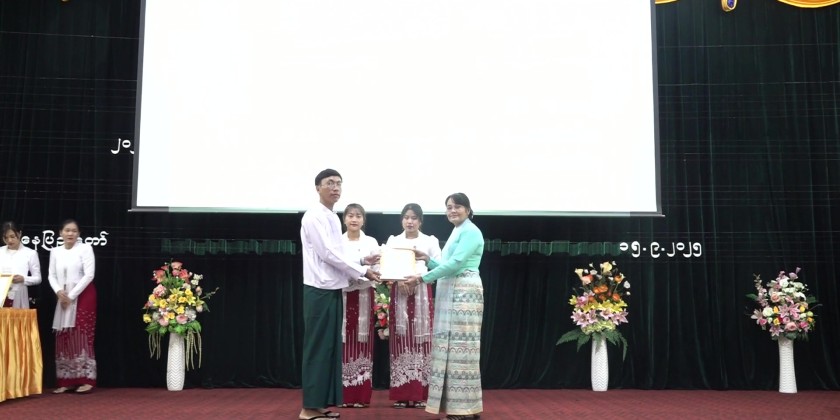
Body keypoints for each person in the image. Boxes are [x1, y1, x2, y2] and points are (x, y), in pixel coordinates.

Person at [299, 169, 380, 420]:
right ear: (317, 188)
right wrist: (362, 270)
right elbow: (327, 254)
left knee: (329, 349)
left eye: (339, 184)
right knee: (317, 348)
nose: (335, 188)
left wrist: (361, 260)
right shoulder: (313, 216)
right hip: (319, 289)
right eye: (330, 183)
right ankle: (308, 408)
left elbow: (339, 253)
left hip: (333, 288)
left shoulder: (333, 217)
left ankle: (319, 404)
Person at [404, 193, 484, 420]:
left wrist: (422, 278)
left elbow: (457, 264)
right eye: (449, 207)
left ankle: (462, 409)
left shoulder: (470, 231)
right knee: (450, 348)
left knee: (462, 349)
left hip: (464, 293)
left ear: (468, 209)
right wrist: (427, 260)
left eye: (457, 206)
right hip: (452, 292)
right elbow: (448, 264)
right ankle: (465, 408)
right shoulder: (458, 230)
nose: (452, 211)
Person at [384, 203, 441, 409]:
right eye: (406, 217)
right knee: (400, 340)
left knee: (422, 340)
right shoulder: (393, 241)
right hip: (399, 293)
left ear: (420, 221)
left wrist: (419, 279)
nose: (410, 221)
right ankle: (402, 393)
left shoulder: (430, 241)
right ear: (401, 220)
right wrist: (398, 280)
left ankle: (421, 394)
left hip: (422, 293)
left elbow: (440, 267)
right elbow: (386, 266)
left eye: (414, 218)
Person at [48, 219, 97, 394]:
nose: (70, 234)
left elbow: (89, 275)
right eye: (67, 230)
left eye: (74, 231)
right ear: (60, 232)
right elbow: (51, 275)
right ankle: (66, 380)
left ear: (79, 234)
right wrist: (59, 291)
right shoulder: (55, 251)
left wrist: (71, 295)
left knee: (80, 334)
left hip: (83, 295)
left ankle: (86, 379)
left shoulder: (85, 248)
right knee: (64, 334)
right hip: (62, 296)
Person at [338, 203, 380, 408]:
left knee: (363, 341)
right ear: (344, 219)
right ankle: (343, 395)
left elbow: (378, 268)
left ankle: (361, 396)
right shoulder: (336, 241)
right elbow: (335, 265)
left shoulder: (371, 242)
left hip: (364, 294)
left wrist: (367, 273)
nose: (354, 219)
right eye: (350, 215)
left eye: (358, 216)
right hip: (342, 295)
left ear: (363, 220)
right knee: (343, 341)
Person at [0, 221, 42, 308]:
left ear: (19, 234)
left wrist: (23, 279)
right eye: (6, 237)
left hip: (19, 295)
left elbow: (38, 278)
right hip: (1, 293)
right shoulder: (1, 251)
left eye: (12, 236)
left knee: (17, 316)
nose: (9, 240)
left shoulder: (30, 253)